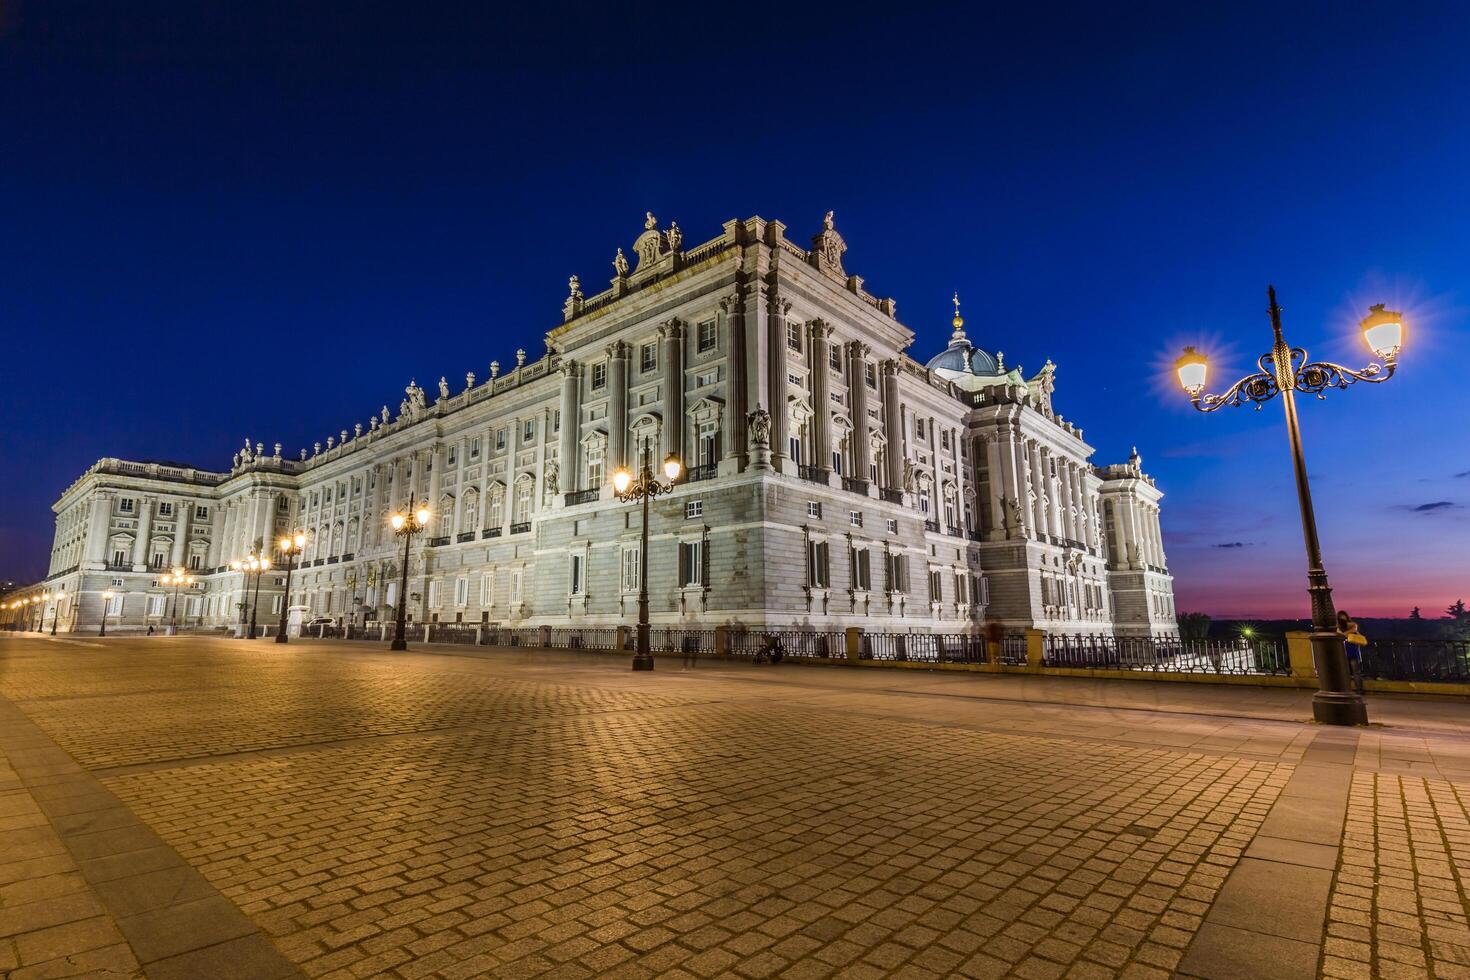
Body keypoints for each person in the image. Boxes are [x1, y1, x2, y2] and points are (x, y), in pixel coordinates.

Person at [1337, 610, 1367, 694]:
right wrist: (1350, 631)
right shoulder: (1353, 625)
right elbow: (1350, 632)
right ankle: (1359, 690)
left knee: (1349, 672)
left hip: (1346, 650)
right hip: (1350, 649)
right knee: (1355, 672)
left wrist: (1345, 632)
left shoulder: (1339, 627)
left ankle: (1350, 689)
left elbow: (1341, 635)